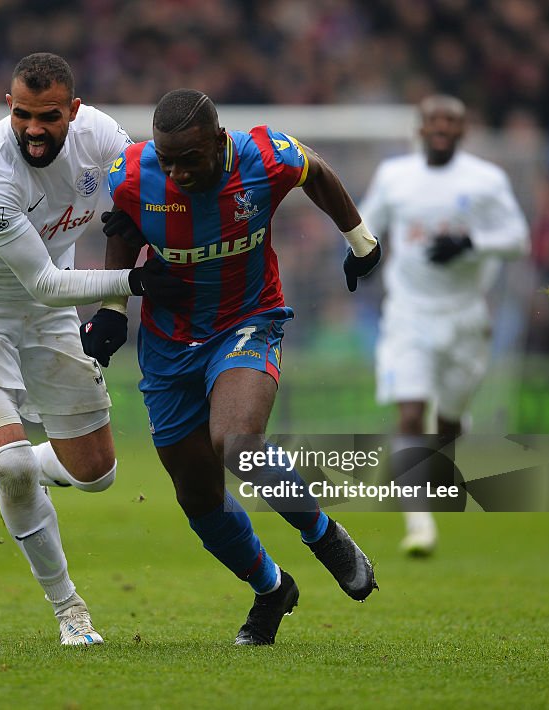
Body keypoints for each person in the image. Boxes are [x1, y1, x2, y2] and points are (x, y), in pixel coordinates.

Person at [80, 88, 381, 646]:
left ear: (219, 142)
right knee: (198, 496)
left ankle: (324, 537)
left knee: (238, 441)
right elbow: (120, 233)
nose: (177, 172)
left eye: (189, 159)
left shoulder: (264, 157)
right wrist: (112, 308)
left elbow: (317, 172)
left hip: (249, 319)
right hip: (169, 344)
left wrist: (361, 242)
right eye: (167, 160)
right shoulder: (132, 174)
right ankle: (271, 589)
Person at [0, 53, 179, 646]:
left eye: (49, 117)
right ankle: (70, 610)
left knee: (97, 475)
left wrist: (118, 305)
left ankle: (19, 464)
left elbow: (138, 209)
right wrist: (132, 286)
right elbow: (40, 282)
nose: (35, 129)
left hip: (49, 311)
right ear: (9, 107)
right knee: (9, 464)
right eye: (24, 116)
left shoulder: (105, 138)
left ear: (74, 111)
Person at [357, 94, 529, 556]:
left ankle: (449, 430)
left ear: (462, 129)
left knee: (448, 423)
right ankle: (419, 525)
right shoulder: (395, 177)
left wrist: (471, 242)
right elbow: (365, 224)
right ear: (420, 127)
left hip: (466, 315)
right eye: (433, 119)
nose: (440, 126)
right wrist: (356, 259)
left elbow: (518, 240)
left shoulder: (486, 180)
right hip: (408, 312)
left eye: (450, 120)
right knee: (410, 412)